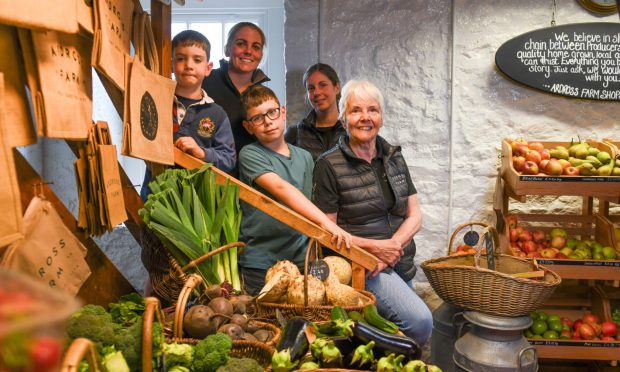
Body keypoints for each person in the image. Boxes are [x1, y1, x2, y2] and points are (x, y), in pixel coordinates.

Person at [312, 80, 433, 345]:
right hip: (365, 268)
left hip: (397, 261)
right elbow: (327, 233)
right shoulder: (328, 166)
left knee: (402, 336)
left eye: (373, 110)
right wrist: (375, 250)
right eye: (356, 110)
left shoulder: (393, 156)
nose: (365, 117)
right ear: (343, 119)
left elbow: (415, 214)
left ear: (382, 117)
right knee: (420, 324)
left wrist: (391, 249)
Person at [237, 85, 352, 295]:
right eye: (257, 118)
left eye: (272, 113)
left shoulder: (305, 157)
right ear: (248, 126)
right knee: (264, 324)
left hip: (302, 260)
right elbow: (283, 189)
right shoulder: (249, 154)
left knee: (304, 320)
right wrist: (328, 224)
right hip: (262, 262)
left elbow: (310, 201)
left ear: (282, 112)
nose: (267, 121)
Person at [140, 30, 236, 201]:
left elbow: (228, 159)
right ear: (171, 65)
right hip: (156, 199)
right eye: (181, 58)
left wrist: (202, 153)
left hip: (198, 204)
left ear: (208, 68)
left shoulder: (217, 114)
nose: (189, 65)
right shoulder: (155, 103)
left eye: (197, 60)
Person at [202, 22, 269, 165]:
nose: (248, 51)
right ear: (227, 49)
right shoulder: (204, 81)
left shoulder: (264, 95)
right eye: (241, 44)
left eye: (255, 47)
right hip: (204, 173)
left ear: (260, 55)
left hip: (248, 178)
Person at [285, 63, 346, 161]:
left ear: (337, 88)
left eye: (323, 85)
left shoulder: (351, 129)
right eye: (311, 88)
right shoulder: (295, 134)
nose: (316, 92)